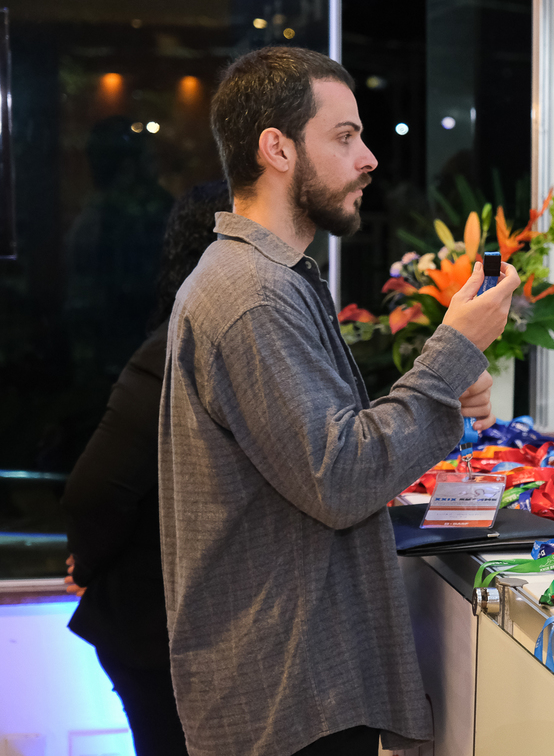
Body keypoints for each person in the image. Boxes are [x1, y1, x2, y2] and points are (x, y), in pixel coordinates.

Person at [159, 47, 519, 756]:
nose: (370, 158)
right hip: (286, 695)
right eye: (345, 137)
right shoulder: (252, 296)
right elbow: (341, 476)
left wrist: (440, 377)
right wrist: (450, 353)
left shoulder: (270, 278)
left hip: (295, 681)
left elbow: (319, 443)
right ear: (278, 149)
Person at [61, 180, 230, 755]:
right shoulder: (177, 347)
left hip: (184, 627)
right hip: (153, 627)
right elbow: (94, 492)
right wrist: (87, 565)